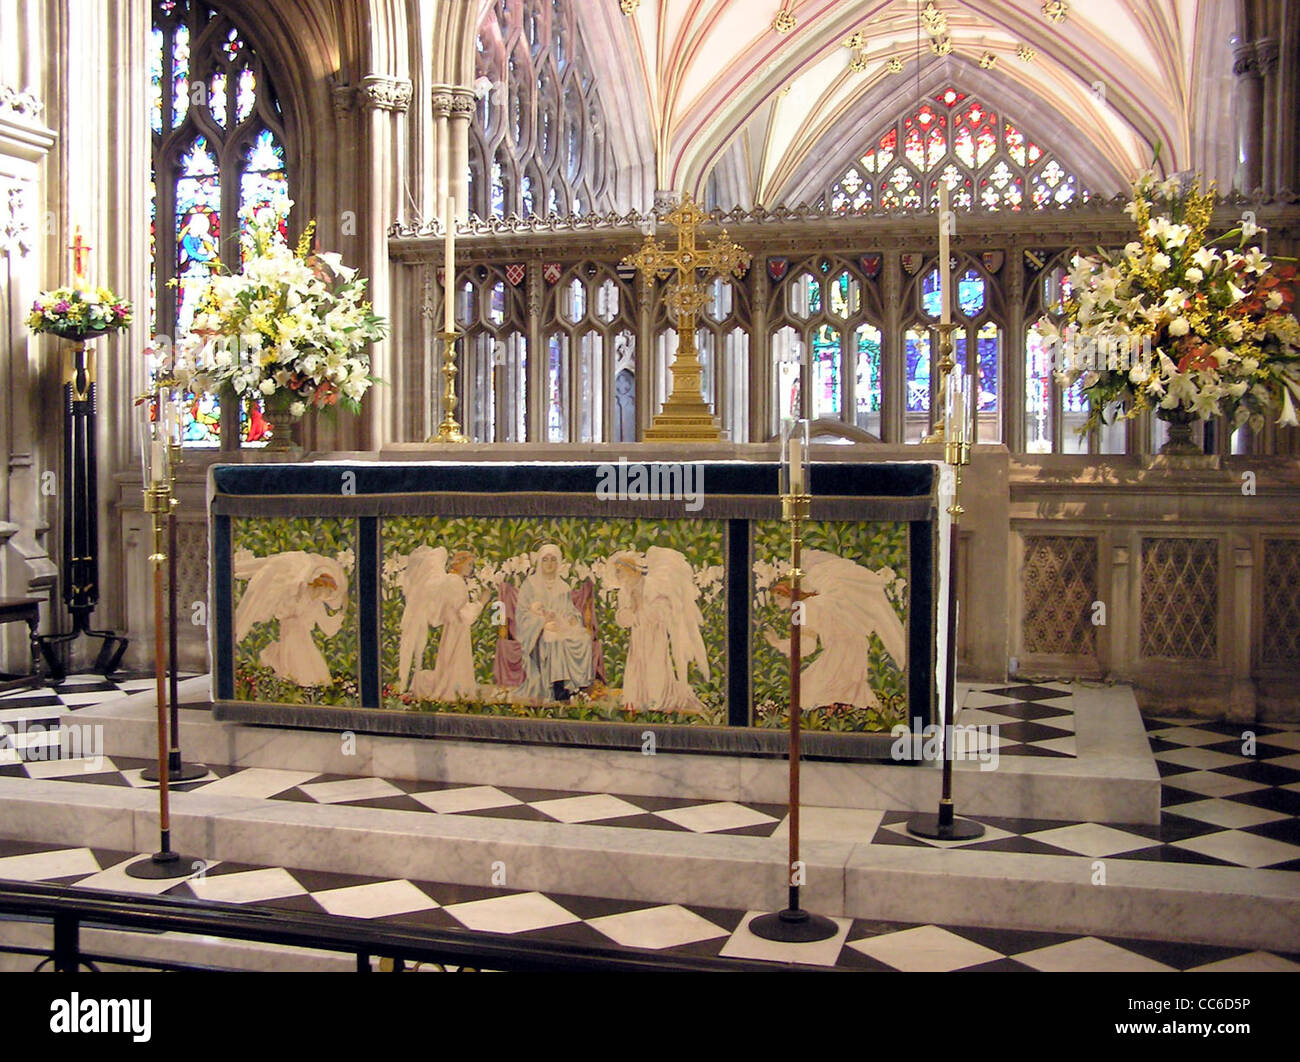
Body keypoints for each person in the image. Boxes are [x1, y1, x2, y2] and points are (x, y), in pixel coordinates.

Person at [764, 549, 907, 712]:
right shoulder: (812, 604)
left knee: (811, 689)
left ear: (789, 594)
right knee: (831, 691)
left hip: (843, 650)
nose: (776, 604)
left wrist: (777, 643)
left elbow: (805, 646)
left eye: (778, 597)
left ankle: (849, 716)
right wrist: (779, 643)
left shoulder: (800, 608)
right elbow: (806, 645)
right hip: (852, 648)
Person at [610, 548, 708, 714]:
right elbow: (622, 616)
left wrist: (641, 612)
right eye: (617, 573)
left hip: (654, 632)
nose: (619, 577)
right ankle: (637, 698)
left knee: (655, 662)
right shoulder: (625, 592)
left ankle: (657, 698)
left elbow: (661, 610)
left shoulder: (651, 585)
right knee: (637, 662)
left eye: (621, 572)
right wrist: (628, 614)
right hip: (639, 633)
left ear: (631, 570)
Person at [234, 551, 347, 687]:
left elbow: (325, 623)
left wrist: (340, 614)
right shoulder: (295, 596)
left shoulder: (314, 602)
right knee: (294, 657)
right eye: (320, 585)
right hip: (290, 631)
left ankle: (305, 686)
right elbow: (283, 611)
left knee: (306, 659)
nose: (322, 591)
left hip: (301, 634)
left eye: (323, 588)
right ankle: (294, 684)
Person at [398, 547, 484, 701]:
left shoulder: (455, 580)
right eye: (469, 565)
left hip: (456, 628)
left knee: (452, 661)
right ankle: (450, 690)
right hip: (457, 627)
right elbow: (461, 612)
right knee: (452, 661)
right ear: (459, 564)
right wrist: (480, 603)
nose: (471, 569)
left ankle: (457, 689)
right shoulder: (455, 581)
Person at [514, 544, 593, 702]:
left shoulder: (563, 586)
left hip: (560, 625)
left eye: (553, 560)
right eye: (545, 560)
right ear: (539, 562)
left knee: (583, 638)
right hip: (537, 632)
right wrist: (542, 622)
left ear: (558, 563)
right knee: (554, 640)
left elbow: (570, 610)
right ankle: (557, 686)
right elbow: (522, 614)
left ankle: (575, 686)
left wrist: (572, 618)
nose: (549, 564)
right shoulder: (529, 585)